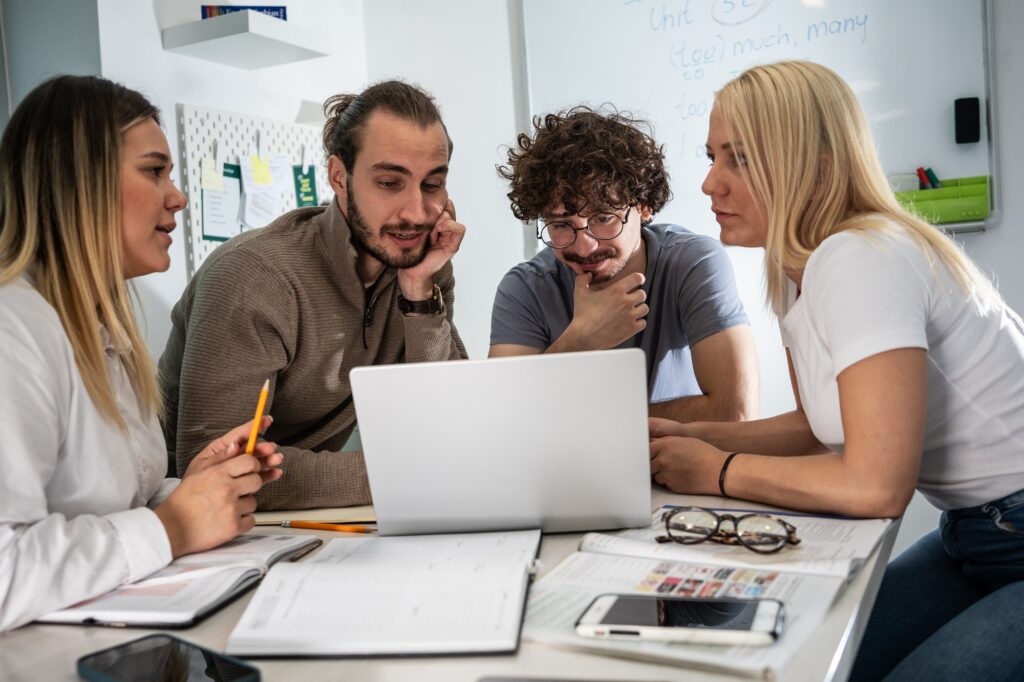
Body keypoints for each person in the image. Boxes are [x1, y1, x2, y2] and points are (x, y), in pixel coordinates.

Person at [648, 60, 1024, 681]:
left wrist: (718, 471)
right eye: (712, 155)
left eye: (738, 159)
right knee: (817, 658)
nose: (711, 182)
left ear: (812, 168)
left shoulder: (860, 257)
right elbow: (820, 427)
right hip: (976, 533)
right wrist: (690, 437)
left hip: (1011, 527)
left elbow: (876, 485)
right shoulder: (797, 270)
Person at [0, 75, 283, 632]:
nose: (176, 197)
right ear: (80, 182)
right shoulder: (13, 331)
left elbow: (106, 505)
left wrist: (195, 488)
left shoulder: (105, 329)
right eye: (154, 171)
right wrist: (172, 526)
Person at [159, 80, 468, 510]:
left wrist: (419, 294)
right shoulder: (254, 276)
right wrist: (400, 474)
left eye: (432, 185)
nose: (416, 212)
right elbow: (213, 462)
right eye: (389, 183)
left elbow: (448, 425)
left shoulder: (419, 264)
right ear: (339, 178)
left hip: (309, 520)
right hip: (200, 532)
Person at [491, 107, 758, 422]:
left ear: (644, 207)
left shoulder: (693, 263)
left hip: (680, 469)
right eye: (561, 225)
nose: (584, 246)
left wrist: (586, 420)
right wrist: (579, 341)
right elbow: (503, 423)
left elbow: (736, 412)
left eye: (604, 218)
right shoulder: (525, 288)